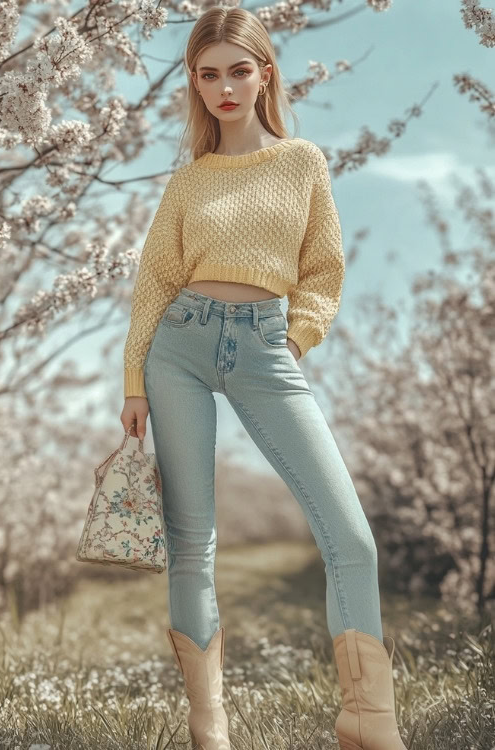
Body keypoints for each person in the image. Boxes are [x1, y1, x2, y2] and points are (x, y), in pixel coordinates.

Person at [120, 6, 408, 750]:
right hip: (178, 348)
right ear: (195, 80)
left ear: (265, 73)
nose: (225, 86)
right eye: (209, 73)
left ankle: (370, 724)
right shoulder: (188, 182)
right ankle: (208, 730)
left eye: (238, 70)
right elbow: (154, 283)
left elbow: (323, 268)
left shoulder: (302, 162)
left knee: (351, 539)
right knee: (194, 545)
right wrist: (134, 383)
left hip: (266, 349)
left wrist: (296, 337)